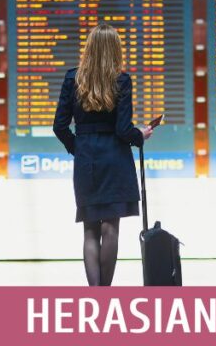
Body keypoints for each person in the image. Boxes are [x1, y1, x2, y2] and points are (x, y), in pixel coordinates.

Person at [53, 23, 153, 286]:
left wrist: (79, 148)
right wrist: (139, 135)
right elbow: (123, 129)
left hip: (87, 159)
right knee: (111, 227)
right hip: (115, 159)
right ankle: (105, 296)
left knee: (89, 229)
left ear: (89, 49)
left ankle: (94, 294)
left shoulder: (71, 78)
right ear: (115, 50)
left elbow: (59, 126)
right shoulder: (121, 80)